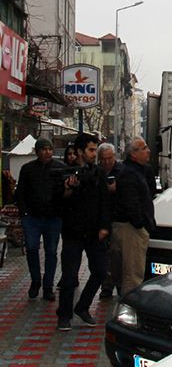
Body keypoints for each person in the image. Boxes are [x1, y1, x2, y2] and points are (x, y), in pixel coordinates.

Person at [56, 133, 111, 331]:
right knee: (70, 277)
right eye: (90, 150)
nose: (94, 154)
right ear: (80, 151)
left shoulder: (98, 173)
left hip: (94, 232)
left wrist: (105, 227)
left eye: (95, 150)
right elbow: (59, 201)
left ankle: (83, 307)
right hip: (72, 232)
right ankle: (64, 315)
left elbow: (105, 201)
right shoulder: (67, 172)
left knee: (100, 271)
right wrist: (68, 190)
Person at [14, 138, 68, 300]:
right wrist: (24, 213)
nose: (47, 152)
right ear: (37, 151)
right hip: (32, 218)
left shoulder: (60, 168)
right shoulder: (28, 169)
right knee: (31, 248)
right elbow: (20, 193)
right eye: (43, 149)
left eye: (50, 149)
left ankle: (48, 286)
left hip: (53, 218)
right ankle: (35, 280)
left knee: (51, 252)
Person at [112, 138, 155, 294]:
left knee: (131, 272)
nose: (148, 150)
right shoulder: (130, 174)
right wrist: (140, 225)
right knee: (132, 274)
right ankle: (130, 310)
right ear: (134, 154)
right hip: (131, 229)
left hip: (132, 227)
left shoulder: (139, 171)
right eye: (144, 148)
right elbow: (132, 204)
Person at [98, 143, 122, 298]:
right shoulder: (97, 172)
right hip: (101, 218)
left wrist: (117, 189)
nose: (107, 162)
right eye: (103, 159)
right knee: (104, 255)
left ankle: (119, 284)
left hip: (118, 217)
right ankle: (106, 285)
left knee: (117, 254)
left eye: (110, 158)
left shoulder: (122, 171)